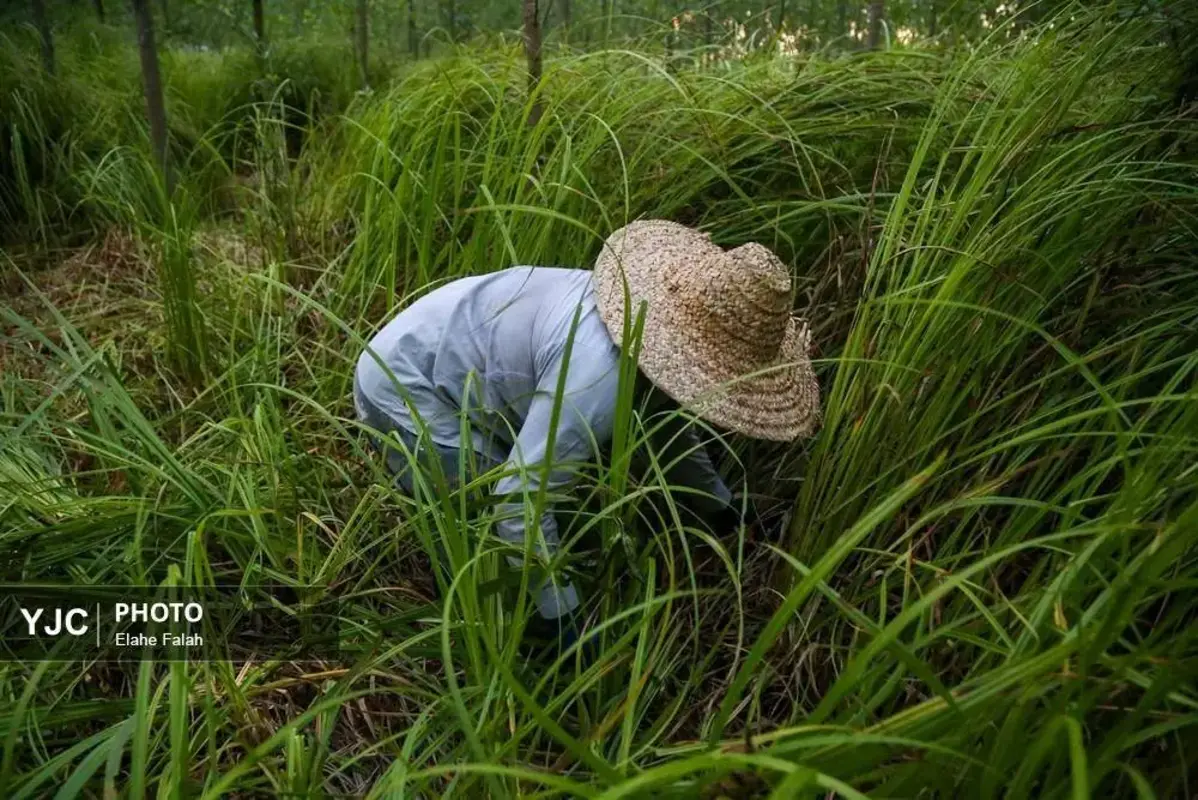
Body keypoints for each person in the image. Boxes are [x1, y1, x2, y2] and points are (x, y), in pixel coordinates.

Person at [352, 219, 820, 649]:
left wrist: (720, 508)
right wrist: (565, 619)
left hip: (448, 338)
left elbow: (661, 424)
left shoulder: (640, 327)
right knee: (479, 524)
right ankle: (497, 636)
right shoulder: (601, 377)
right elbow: (518, 497)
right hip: (407, 380)